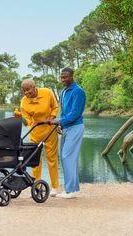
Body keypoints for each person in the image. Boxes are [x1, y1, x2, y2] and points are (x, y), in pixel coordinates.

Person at [14, 79, 59, 197]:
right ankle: (36, 186)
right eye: (24, 91)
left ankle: (54, 187)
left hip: (50, 130)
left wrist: (52, 118)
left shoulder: (47, 92)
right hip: (35, 132)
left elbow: (55, 107)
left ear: (34, 88)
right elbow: (27, 122)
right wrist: (20, 117)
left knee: (52, 160)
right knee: (34, 161)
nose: (26, 93)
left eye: (28, 90)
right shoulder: (24, 101)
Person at [50, 67, 86, 199]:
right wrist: (61, 124)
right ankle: (73, 189)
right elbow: (64, 111)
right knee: (66, 157)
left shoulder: (78, 91)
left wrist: (59, 122)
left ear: (72, 76)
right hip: (66, 127)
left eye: (65, 77)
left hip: (75, 127)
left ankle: (70, 191)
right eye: (61, 77)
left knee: (67, 156)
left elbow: (76, 113)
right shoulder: (64, 91)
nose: (63, 79)